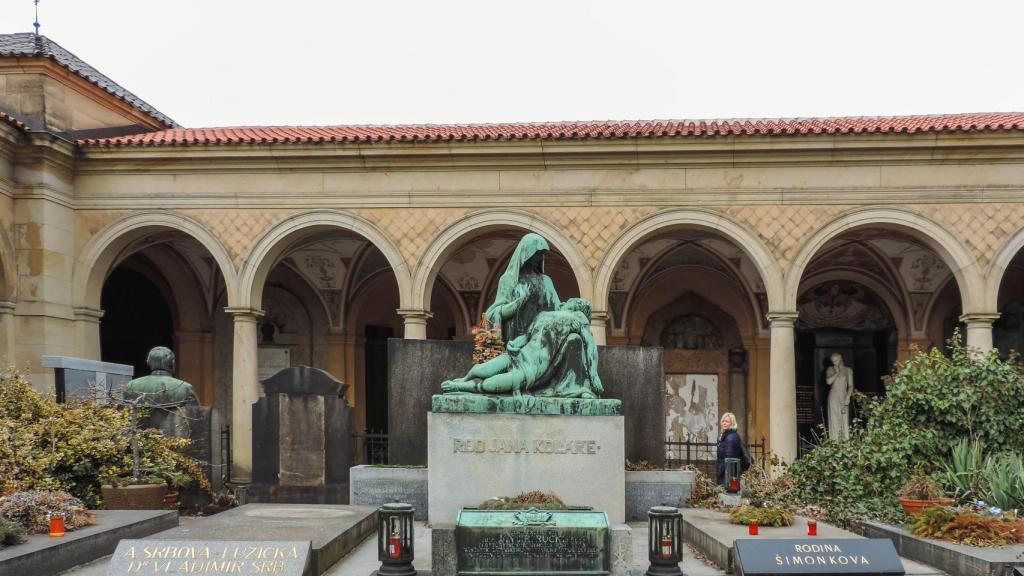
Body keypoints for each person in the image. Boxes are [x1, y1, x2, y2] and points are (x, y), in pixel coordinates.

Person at [442, 298, 602, 399]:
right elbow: (527, 335)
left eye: (576, 302)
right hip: (519, 354)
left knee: (492, 385)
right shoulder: (544, 315)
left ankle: (461, 386)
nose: (569, 302)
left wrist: (593, 374)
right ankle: (463, 380)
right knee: (482, 369)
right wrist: (515, 344)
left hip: (534, 367)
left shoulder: (578, 319)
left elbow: (589, 343)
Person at [484, 233, 561, 346]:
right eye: (537, 253)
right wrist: (517, 304)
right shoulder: (508, 280)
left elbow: (558, 309)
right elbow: (495, 313)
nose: (540, 257)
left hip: (542, 335)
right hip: (516, 336)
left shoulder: (546, 281)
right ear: (527, 252)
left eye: (542, 254)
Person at [716, 412, 750, 487]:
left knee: (729, 492)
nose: (724, 423)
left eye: (727, 421)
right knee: (731, 491)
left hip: (728, 474)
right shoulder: (726, 436)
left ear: (732, 423)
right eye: (723, 421)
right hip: (729, 473)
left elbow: (729, 459)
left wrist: (721, 472)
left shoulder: (730, 438)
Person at [826, 352, 854, 440]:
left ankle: (845, 441)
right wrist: (837, 373)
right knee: (834, 418)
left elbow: (850, 385)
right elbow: (828, 382)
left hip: (843, 395)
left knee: (844, 418)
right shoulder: (830, 369)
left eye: (836, 360)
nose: (834, 362)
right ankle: (834, 441)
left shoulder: (847, 370)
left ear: (840, 359)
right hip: (833, 396)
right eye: (833, 361)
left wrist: (848, 397)